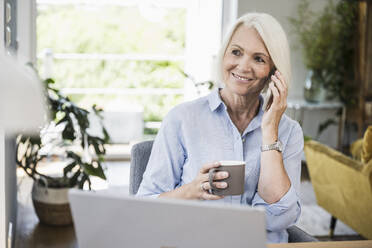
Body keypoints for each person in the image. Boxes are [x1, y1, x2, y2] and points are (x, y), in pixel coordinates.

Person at [137, 12, 303, 243]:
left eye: (259, 59)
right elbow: (144, 206)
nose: (243, 66)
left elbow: (280, 219)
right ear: (224, 55)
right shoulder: (182, 119)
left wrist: (270, 131)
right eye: (236, 52)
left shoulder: (289, 131)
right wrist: (192, 190)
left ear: (274, 72)